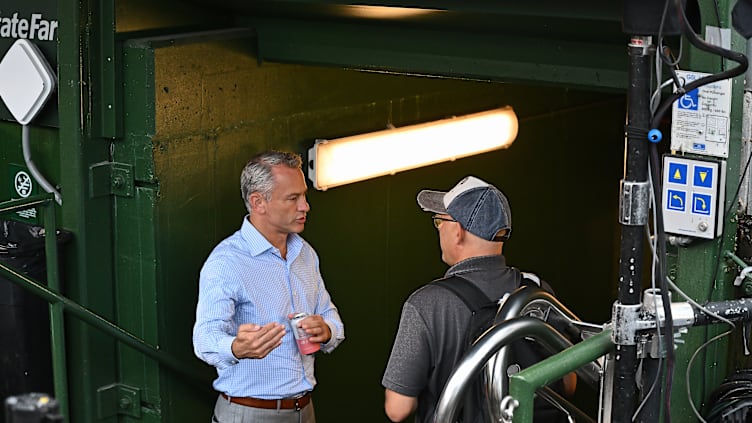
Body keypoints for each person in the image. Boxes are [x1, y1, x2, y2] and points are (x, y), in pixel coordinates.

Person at [381, 175, 573, 423]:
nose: (438, 230)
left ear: (458, 231)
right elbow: (568, 384)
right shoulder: (536, 292)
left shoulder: (426, 304)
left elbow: (398, 409)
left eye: (439, 222)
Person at [193, 150, 345, 423]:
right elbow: (204, 338)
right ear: (258, 202)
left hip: (304, 411)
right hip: (250, 414)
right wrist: (236, 348)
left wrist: (326, 330)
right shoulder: (226, 262)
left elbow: (330, 314)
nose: (305, 206)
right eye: (293, 198)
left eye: (304, 196)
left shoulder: (305, 253)